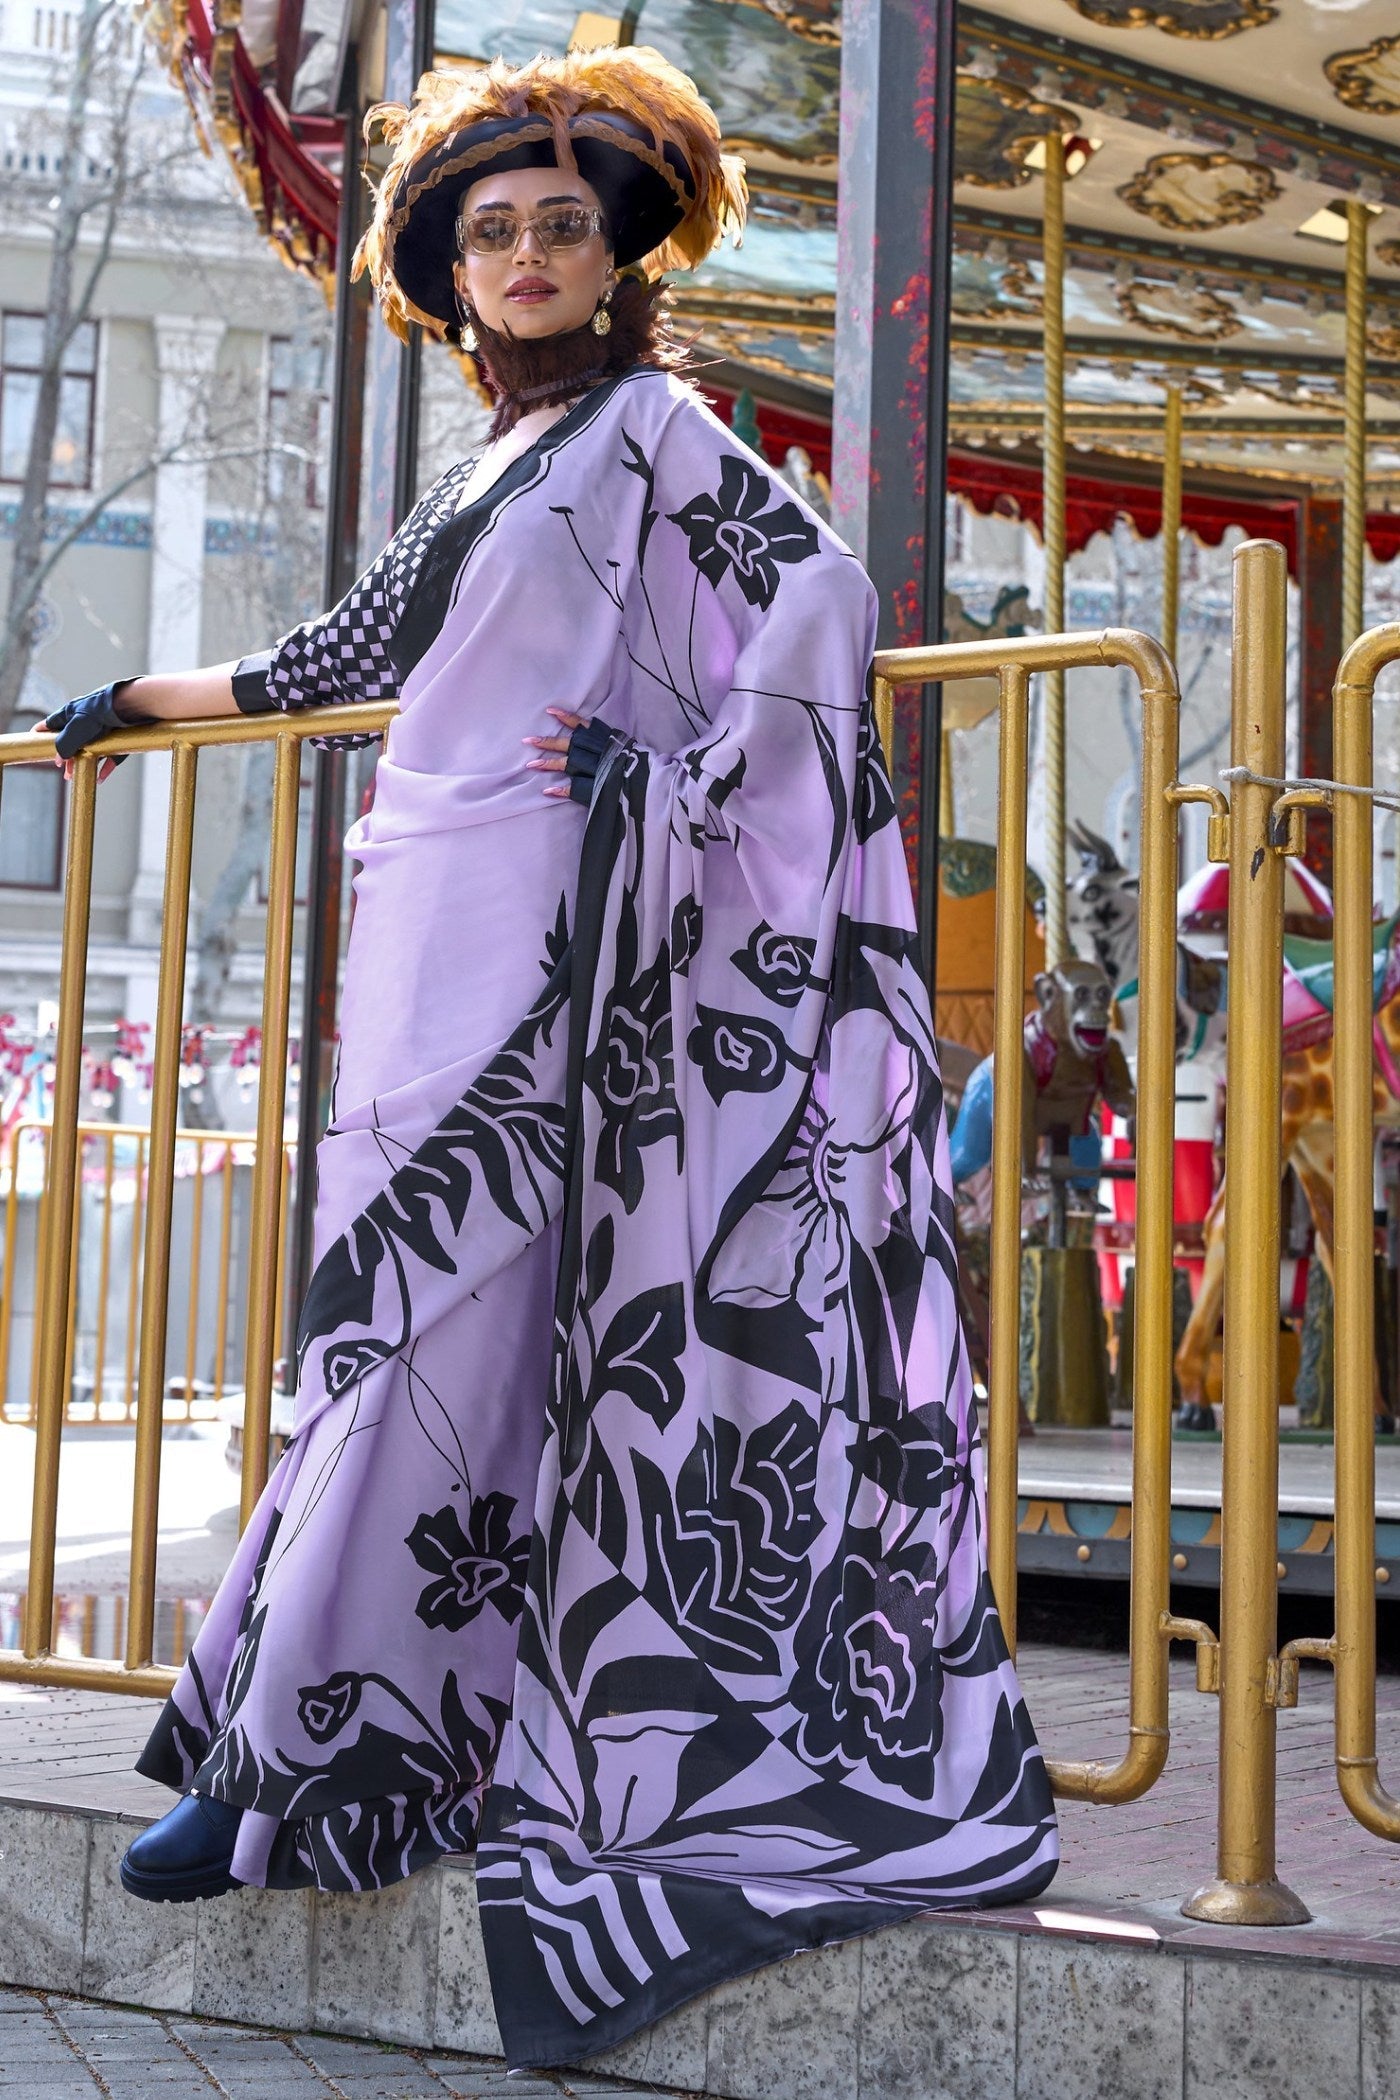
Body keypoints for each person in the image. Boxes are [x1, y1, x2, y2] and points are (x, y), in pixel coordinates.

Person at [43, 46, 1057, 2070]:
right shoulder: (489, 460)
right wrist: (146, 693)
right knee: (383, 1338)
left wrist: (660, 774)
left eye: (560, 229)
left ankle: (268, 1770)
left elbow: (819, 605)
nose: (522, 256)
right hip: (425, 932)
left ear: (617, 262)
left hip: (568, 949)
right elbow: (359, 653)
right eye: (488, 230)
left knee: (440, 1341)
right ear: (451, 265)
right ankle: (327, 1754)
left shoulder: (661, 436)